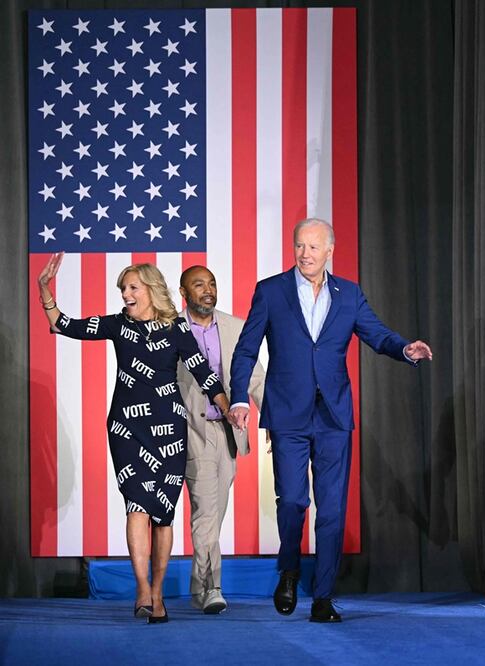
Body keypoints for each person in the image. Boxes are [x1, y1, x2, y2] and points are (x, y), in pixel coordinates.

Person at [227, 218, 432, 623]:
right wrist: (240, 399)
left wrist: (405, 349)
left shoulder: (349, 295)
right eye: (299, 246)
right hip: (287, 413)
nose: (305, 254)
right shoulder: (271, 291)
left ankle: (323, 596)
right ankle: (288, 570)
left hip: (334, 415)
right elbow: (246, 350)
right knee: (294, 502)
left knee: (334, 509)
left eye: (313, 247)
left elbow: (377, 334)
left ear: (330, 251)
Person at [37, 253, 229, 624]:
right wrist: (45, 289)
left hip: (170, 430)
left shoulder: (176, 329)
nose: (125, 294)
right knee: (137, 507)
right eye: (123, 288)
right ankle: (142, 588)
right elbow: (65, 325)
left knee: (163, 516)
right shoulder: (117, 325)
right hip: (126, 429)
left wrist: (229, 409)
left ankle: (158, 594)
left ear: (151, 290)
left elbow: (204, 375)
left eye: (131, 287)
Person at [177, 265, 265, 614]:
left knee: (214, 512)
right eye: (199, 285)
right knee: (205, 512)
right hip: (191, 432)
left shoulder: (235, 327)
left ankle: (200, 589)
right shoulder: (171, 329)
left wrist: (273, 419)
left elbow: (255, 379)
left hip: (228, 433)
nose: (208, 290)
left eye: (211, 283)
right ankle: (213, 587)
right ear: (184, 292)